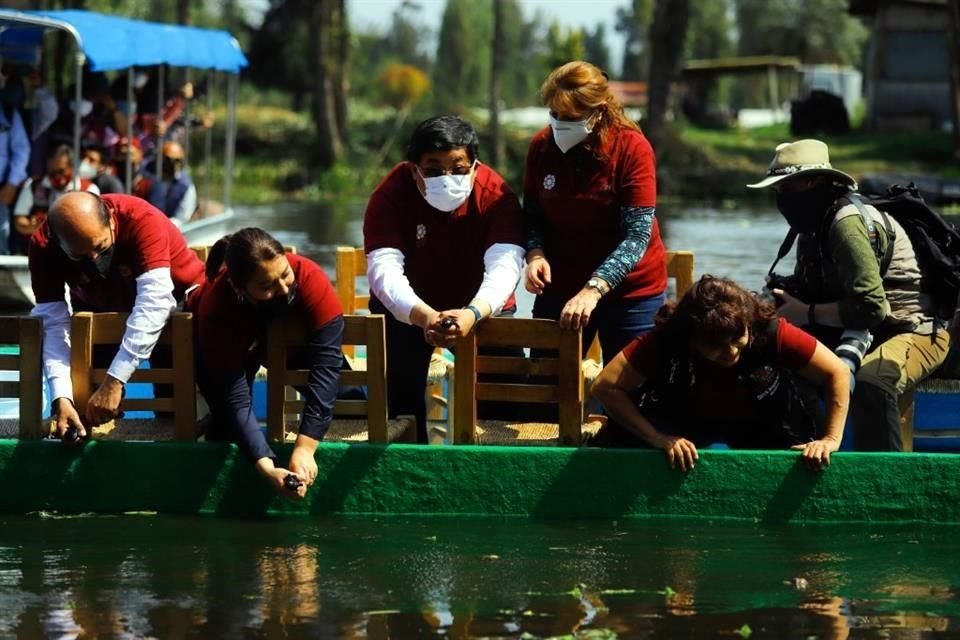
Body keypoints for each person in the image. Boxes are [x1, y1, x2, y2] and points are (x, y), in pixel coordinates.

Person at [748, 139, 950, 451]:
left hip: (912, 329)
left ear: (814, 182)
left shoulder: (846, 226)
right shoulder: (812, 227)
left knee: (872, 382)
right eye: (776, 191)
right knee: (776, 364)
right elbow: (811, 289)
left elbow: (872, 308)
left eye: (786, 188)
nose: (780, 198)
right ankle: (808, 450)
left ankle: (885, 482)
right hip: (858, 329)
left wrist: (806, 313)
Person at [363, 114, 525, 442]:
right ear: (413, 170)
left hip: (484, 308)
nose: (447, 177)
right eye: (434, 170)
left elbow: (505, 267)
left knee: (508, 405)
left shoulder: (497, 194)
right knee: (399, 408)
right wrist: (424, 317)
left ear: (475, 166)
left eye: (459, 167)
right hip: (409, 312)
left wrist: (473, 313)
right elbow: (384, 272)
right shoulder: (390, 194)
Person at [590, 275, 850, 471]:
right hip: (684, 422)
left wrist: (830, 439)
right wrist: (657, 438)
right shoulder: (668, 338)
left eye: (737, 338)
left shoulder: (769, 330)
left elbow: (837, 371)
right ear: (691, 339)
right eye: (714, 345)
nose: (730, 352)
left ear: (747, 324)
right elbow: (605, 387)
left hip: (761, 420)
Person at [28, 191, 205, 439]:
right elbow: (53, 323)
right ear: (57, 243)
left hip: (176, 309)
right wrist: (61, 398)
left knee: (173, 416)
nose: (95, 260)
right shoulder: (43, 245)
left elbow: (155, 304)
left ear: (111, 221)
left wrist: (114, 381)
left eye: (101, 247)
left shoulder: (142, 219)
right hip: (98, 313)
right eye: (80, 257)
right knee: (80, 412)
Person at [523, 61, 668, 360]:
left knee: (633, 391)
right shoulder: (541, 146)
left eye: (571, 117)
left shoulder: (632, 148)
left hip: (631, 292)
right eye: (554, 114)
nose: (560, 123)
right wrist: (535, 252)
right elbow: (533, 212)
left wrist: (594, 289)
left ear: (598, 111)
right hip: (561, 285)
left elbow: (637, 235)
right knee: (544, 389)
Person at [187, 228, 344, 498]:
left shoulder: (310, 277)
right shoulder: (217, 305)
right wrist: (267, 467)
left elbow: (326, 368)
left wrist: (305, 447)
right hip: (227, 344)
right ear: (239, 287)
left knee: (346, 403)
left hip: (289, 342)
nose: (283, 289)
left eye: (285, 275)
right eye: (266, 286)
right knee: (226, 425)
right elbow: (235, 398)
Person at [11, 144, 100, 254]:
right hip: (39, 252)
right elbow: (19, 220)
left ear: (72, 167)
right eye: (52, 173)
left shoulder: (88, 189)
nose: (58, 177)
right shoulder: (33, 186)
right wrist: (35, 227)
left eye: (62, 171)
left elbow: (94, 225)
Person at [0, 68, 30, 257]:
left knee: (2, 235)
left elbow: (21, 150)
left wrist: (12, 183)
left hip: (2, 188)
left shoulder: (8, 113)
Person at [141, 141, 197, 225]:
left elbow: (181, 218)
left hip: (171, 229)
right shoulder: (150, 176)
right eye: (166, 159)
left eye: (175, 160)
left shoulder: (186, 185)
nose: (170, 164)